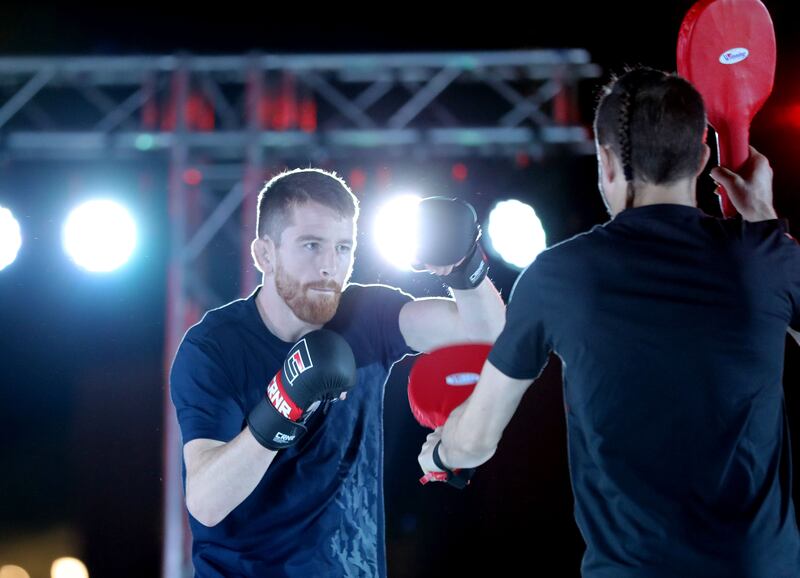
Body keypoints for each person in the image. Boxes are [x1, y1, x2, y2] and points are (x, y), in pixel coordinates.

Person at [419, 67, 800, 577]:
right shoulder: (766, 259)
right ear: (703, 158)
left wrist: (441, 453)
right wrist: (765, 220)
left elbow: (478, 440)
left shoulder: (559, 275)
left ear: (606, 162)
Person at [170, 168, 505, 577]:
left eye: (344, 248)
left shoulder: (367, 315)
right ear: (264, 254)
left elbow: (487, 337)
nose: (331, 266)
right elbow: (205, 502)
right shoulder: (213, 347)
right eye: (311, 245)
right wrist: (283, 406)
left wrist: (464, 265)